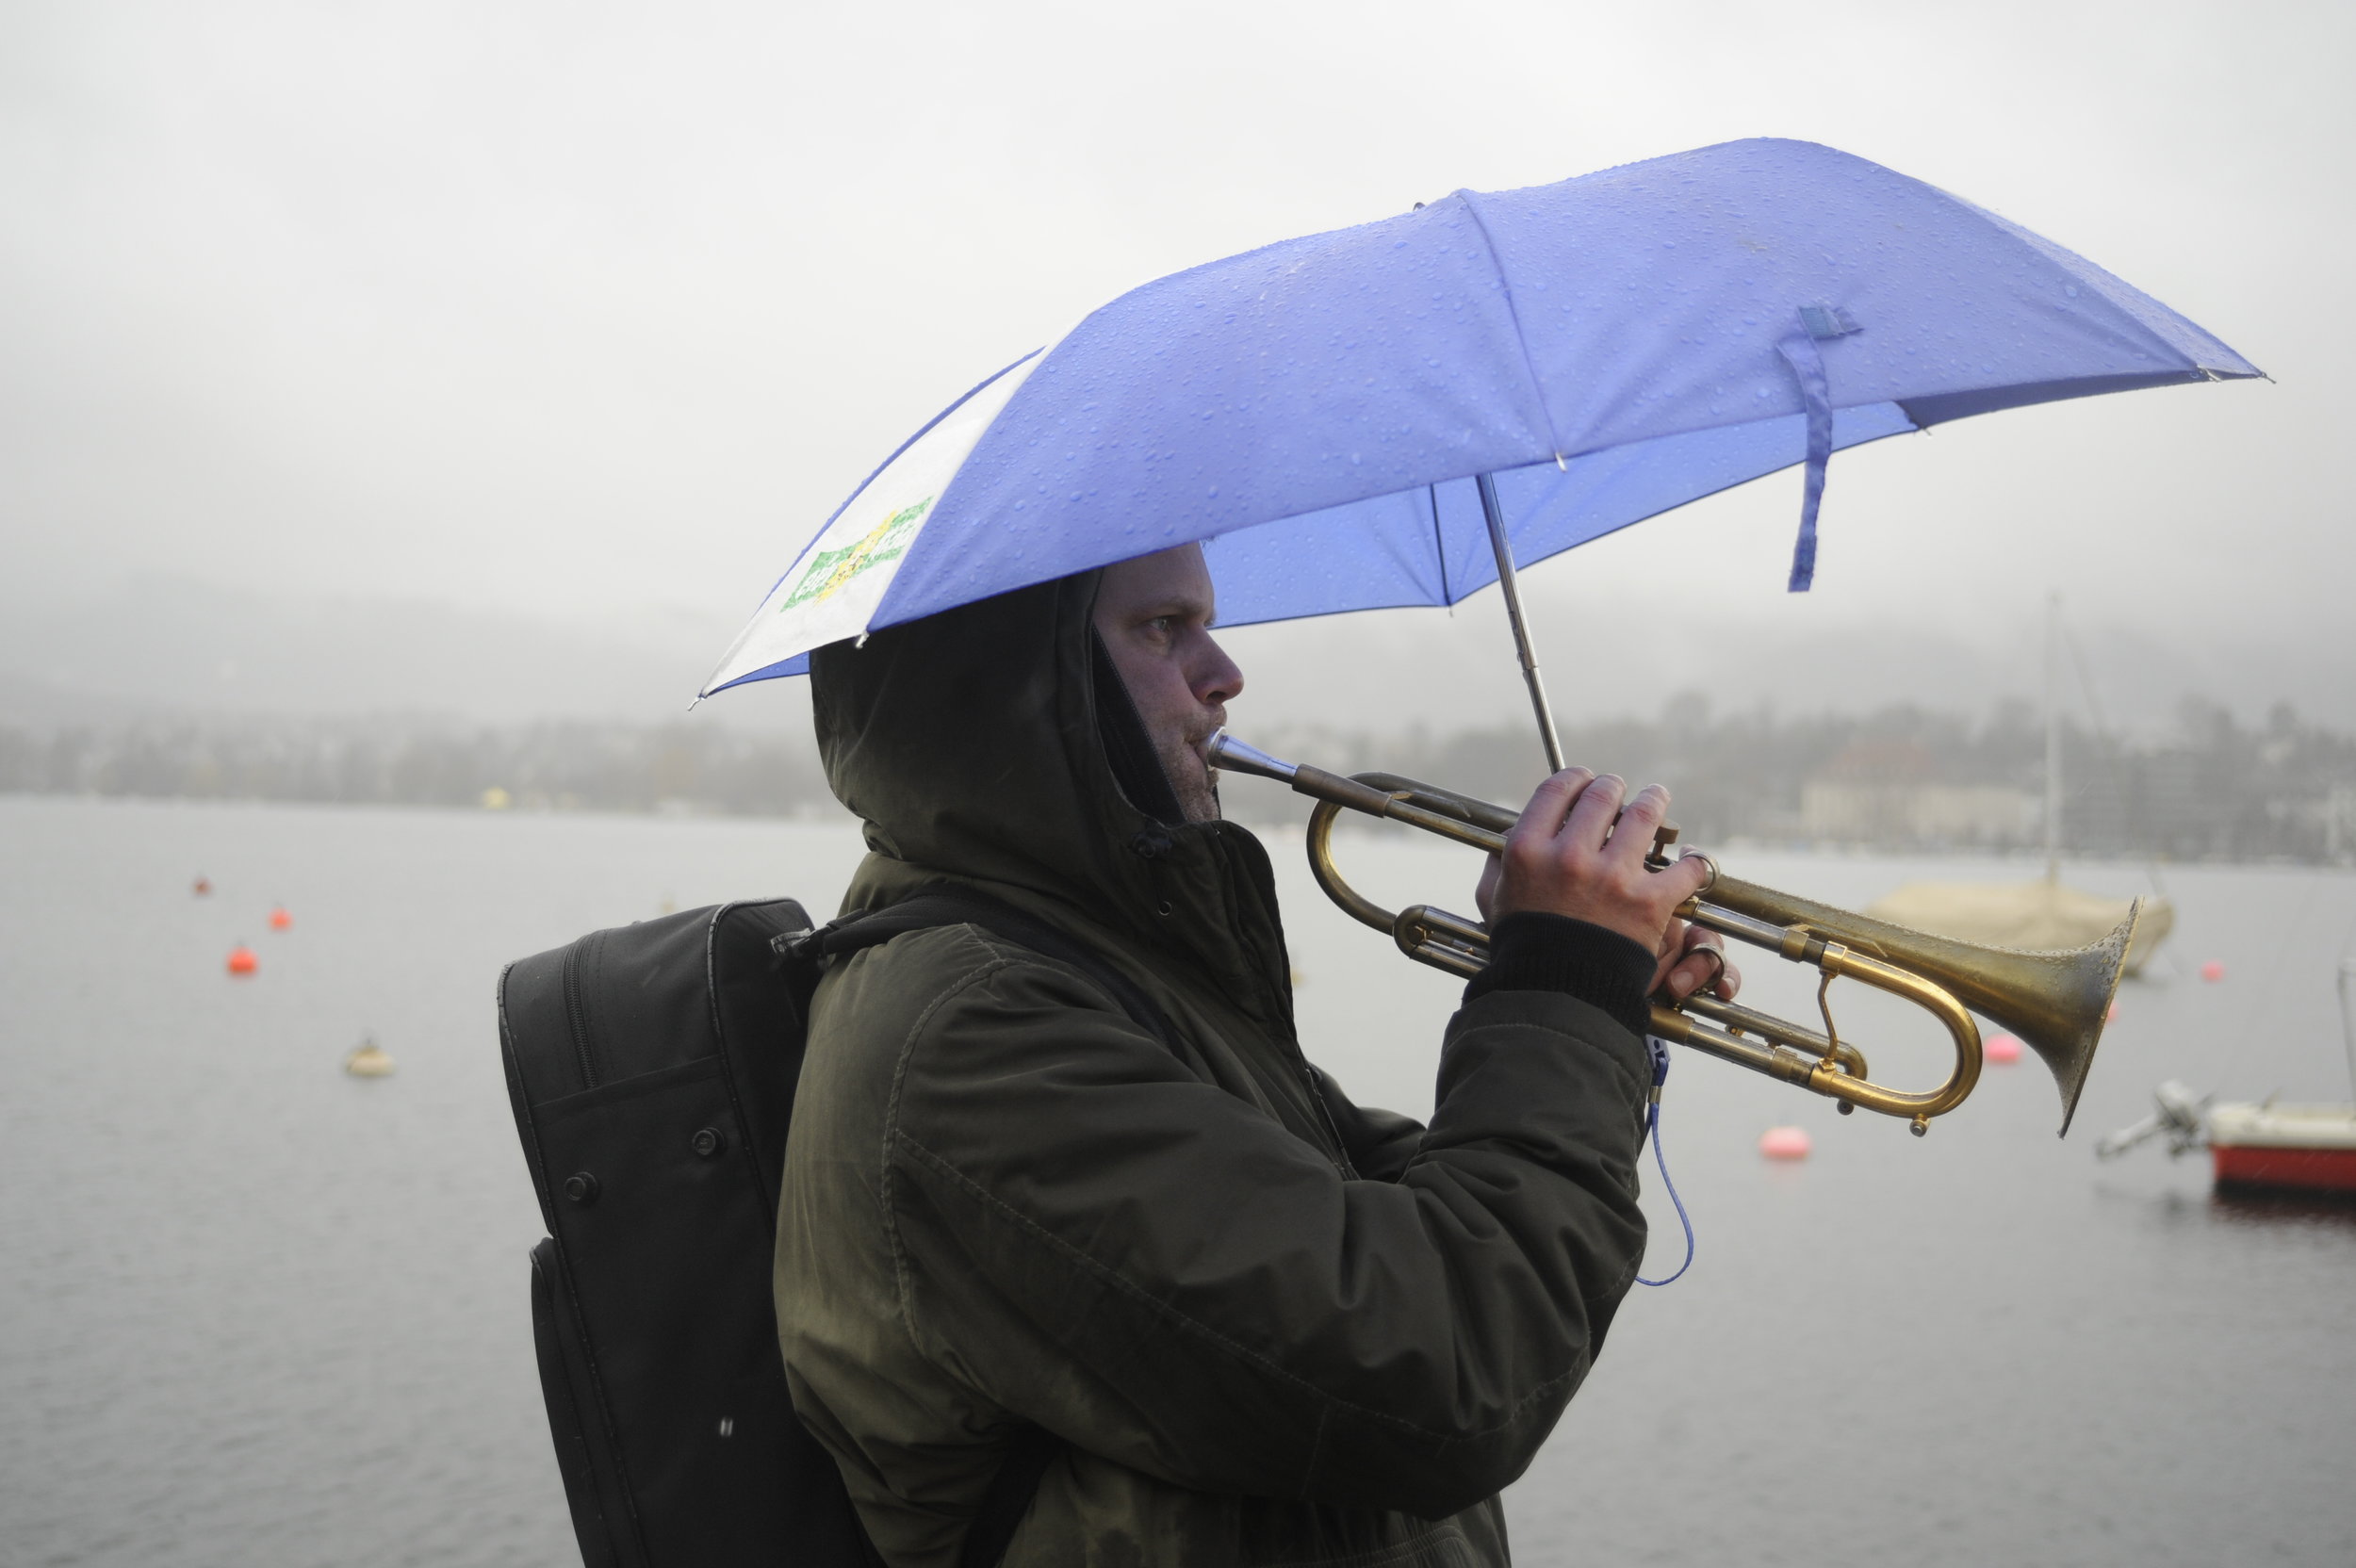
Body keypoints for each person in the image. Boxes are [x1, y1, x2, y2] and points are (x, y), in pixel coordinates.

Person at [777, 542, 1739, 1567]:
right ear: (1026, 684)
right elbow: (1452, 1358)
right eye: (1162, 628)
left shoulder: (1094, 976)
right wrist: (1561, 982)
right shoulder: (980, 1034)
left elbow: (1424, 1226)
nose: (1224, 671)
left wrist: (1580, 996)